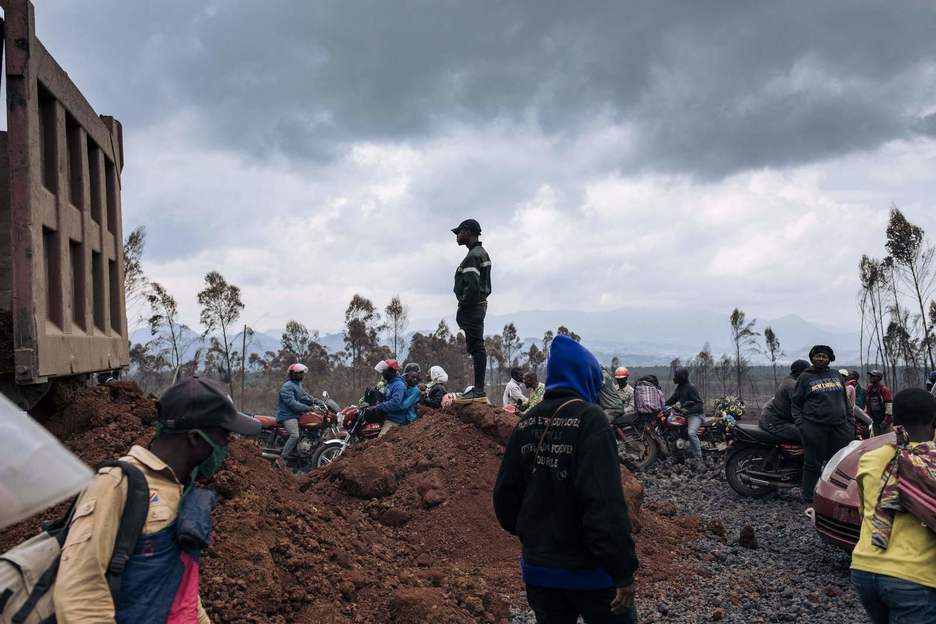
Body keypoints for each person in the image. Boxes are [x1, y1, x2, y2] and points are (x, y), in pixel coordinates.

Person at [53, 377, 261, 623]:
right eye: (224, 437)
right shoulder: (116, 484)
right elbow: (79, 597)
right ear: (195, 438)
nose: (227, 447)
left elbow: (181, 590)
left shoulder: (180, 488)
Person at [493, 335, 638, 624]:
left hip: (539, 573)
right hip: (590, 574)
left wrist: (535, 537)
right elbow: (604, 504)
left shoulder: (527, 421)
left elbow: (504, 498)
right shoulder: (591, 420)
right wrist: (622, 570)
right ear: (586, 375)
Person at [850, 388, 936, 623]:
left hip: (864, 569)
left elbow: (864, 512)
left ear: (894, 420)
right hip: (914, 577)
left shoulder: (869, 458)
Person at [792, 345, 853, 503]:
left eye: (824, 356)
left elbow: (844, 400)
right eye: (817, 356)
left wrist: (850, 422)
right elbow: (796, 403)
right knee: (813, 464)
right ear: (812, 358)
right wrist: (802, 425)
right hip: (815, 427)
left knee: (839, 464)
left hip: (840, 427)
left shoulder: (835, 375)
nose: (820, 358)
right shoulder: (805, 377)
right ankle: (809, 497)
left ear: (829, 359)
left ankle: (836, 496)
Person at [452, 218, 492, 401]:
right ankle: (478, 388)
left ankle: (478, 389)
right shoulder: (479, 253)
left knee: (477, 348)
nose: (457, 236)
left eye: (459, 232)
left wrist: (462, 302)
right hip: (477, 306)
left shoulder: (473, 256)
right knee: (477, 347)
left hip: (473, 307)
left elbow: (473, 288)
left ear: (468, 232)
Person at [759, 359, 810, 442]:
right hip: (775, 423)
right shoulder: (792, 385)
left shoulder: (790, 380)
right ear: (799, 373)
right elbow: (803, 405)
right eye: (807, 373)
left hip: (774, 418)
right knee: (809, 434)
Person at [275, 363, 314, 469]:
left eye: (302, 373)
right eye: (299, 373)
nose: (302, 375)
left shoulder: (297, 385)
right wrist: (306, 408)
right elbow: (292, 403)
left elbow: (305, 397)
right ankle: (281, 459)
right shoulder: (287, 386)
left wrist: (316, 402)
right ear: (293, 374)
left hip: (295, 415)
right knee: (295, 435)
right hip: (287, 416)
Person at [666, 367, 705, 462]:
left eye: (676, 376)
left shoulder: (691, 388)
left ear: (682, 377)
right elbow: (672, 399)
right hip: (686, 415)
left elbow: (700, 404)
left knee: (691, 433)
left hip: (696, 415)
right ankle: (680, 452)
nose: (674, 378)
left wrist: (688, 411)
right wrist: (662, 405)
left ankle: (698, 456)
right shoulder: (680, 387)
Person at [364, 360, 409, 437]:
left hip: (395, 420)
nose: (382, 373)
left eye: (384, 371)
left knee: (380, 440)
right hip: (387, 417)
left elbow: (395, 403)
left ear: (391, 371)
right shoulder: (389, 384)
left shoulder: (399, 385)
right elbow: (386, 399)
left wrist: (378, 407)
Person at [866, 370, 894, 435]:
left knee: (885, 440)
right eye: (870, 376)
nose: (870, 377)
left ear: (878, 378)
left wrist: (886, 421)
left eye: (873, 376)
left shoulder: (884, 390)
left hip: (884, 420)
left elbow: (889, 406)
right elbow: (868, 404)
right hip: (874, 420)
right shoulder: (869, 389)